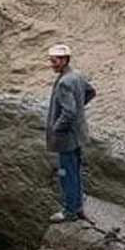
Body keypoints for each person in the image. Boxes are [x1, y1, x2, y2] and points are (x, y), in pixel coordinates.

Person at [45, 44, 96, 223]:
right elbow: (90, 92)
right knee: (75, 171)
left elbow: (69, 112)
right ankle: (78, 205)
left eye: (55, 61)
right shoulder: (77, 75)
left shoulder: (65, 82)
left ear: (65, 60)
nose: (52, 64)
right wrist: (78, 113)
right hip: (78, 134)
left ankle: (69, 211)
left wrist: (56, 128)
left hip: (66, 138)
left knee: (66, 174)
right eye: (51, 61)